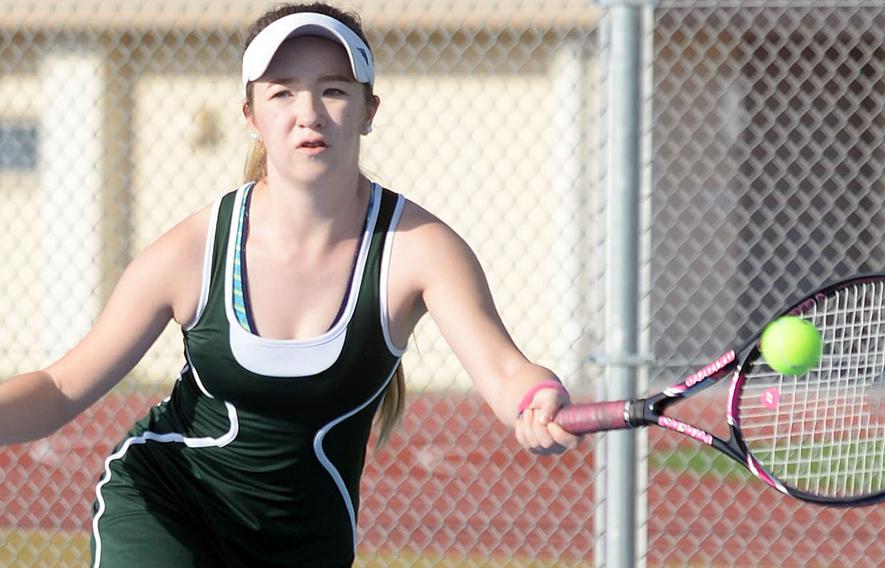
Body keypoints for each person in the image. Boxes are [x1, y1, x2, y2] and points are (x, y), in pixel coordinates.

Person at [0, 2, 580, 566]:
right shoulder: (191, 253)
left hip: (309, 545)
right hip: (169, 504)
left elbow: (506, 371)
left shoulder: (419, 249)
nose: (309, 112)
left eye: (333, 89)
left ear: (368, 110)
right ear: (251, 116)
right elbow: (59, 389)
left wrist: (535, 397)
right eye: (281, 91)